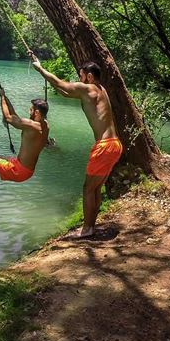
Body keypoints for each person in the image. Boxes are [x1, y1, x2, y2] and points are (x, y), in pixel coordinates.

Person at [31, 55, 123, 238]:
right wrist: (46, 77)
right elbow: (64, 91)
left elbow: (60, 83)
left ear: (89, 76)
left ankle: (87, 230)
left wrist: (40, 68)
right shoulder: (100, 90)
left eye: (80, 75)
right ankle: (91, 227)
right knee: (95, 188)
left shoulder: (87, 88)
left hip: (104, 146)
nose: (79, 78)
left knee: (88, 188)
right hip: (115, 144)